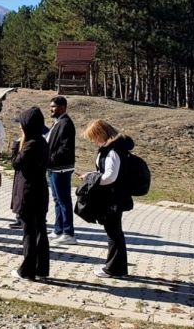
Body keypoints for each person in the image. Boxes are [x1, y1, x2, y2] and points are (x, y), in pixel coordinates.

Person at [81, 119, 134, 278]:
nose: (93, 141)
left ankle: (113, 268)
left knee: (113, 232)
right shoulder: (112, 148)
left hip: (113, 197)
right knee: (114, 231)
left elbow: (110, 176)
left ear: (102, 134)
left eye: (94, 137)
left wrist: (92, 179)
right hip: (114, 196)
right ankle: (118, 267)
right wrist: (92, 174)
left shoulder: (112, 151)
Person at [9, 106, 50, 281]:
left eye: (22, 124)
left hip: (29, 192)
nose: (20, 127)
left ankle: (27, 270)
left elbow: (16, 163)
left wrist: (16, 145)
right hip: (40, 191)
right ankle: (41, 268)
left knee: (29, 232)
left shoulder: (30, 144)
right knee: (40, 230)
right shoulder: (42, 141)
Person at [46, 96, 77, 245]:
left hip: (61, 169)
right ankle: (58, 230)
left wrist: (50, 159)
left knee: (64, 200)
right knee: (57, 200)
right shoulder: (57, 123)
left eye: (54, 106)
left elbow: (65, 148)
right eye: (51, 106)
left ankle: (69, 233)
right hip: (53, 168)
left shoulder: (66, 124)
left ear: (63, 107)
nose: (51, 109)